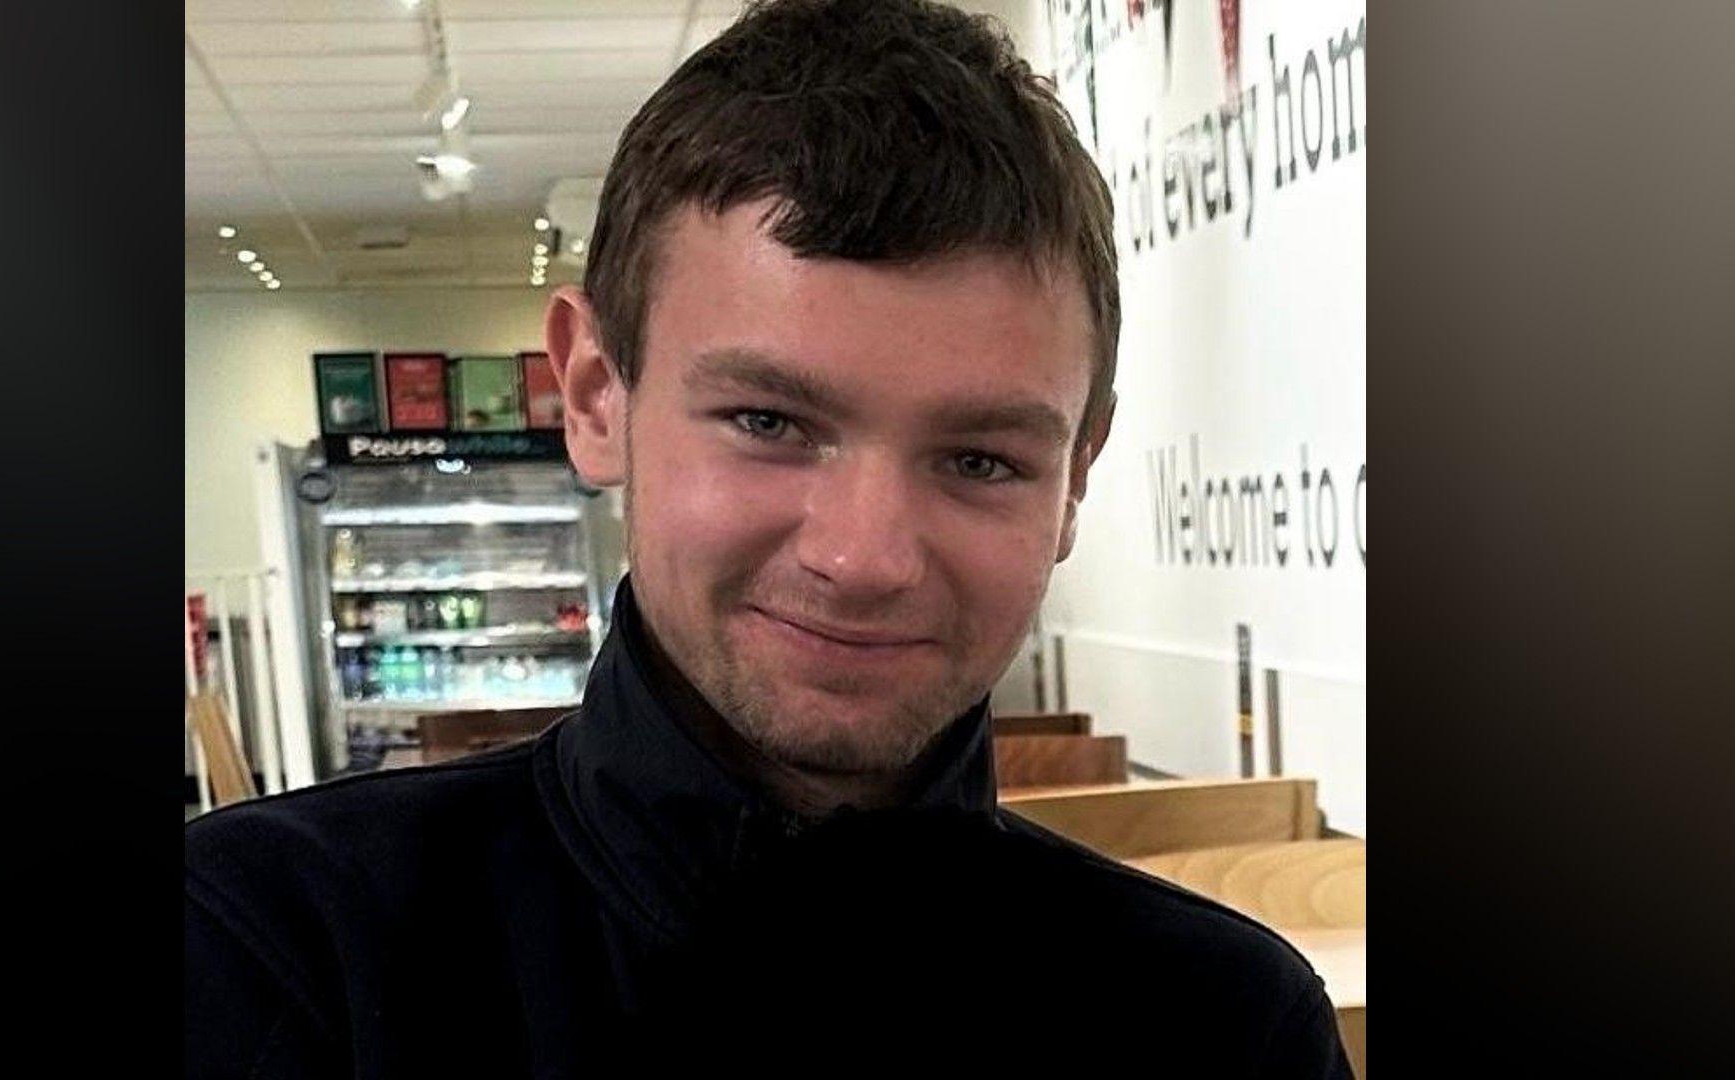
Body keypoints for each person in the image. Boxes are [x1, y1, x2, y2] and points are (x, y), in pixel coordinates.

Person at [185, 1, 1354, 1076]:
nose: (866, 558)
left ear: (1076, 475)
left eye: (983, 460)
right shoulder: (267, 955)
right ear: (596, 395)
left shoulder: (1224, 1028)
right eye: (769, 422)